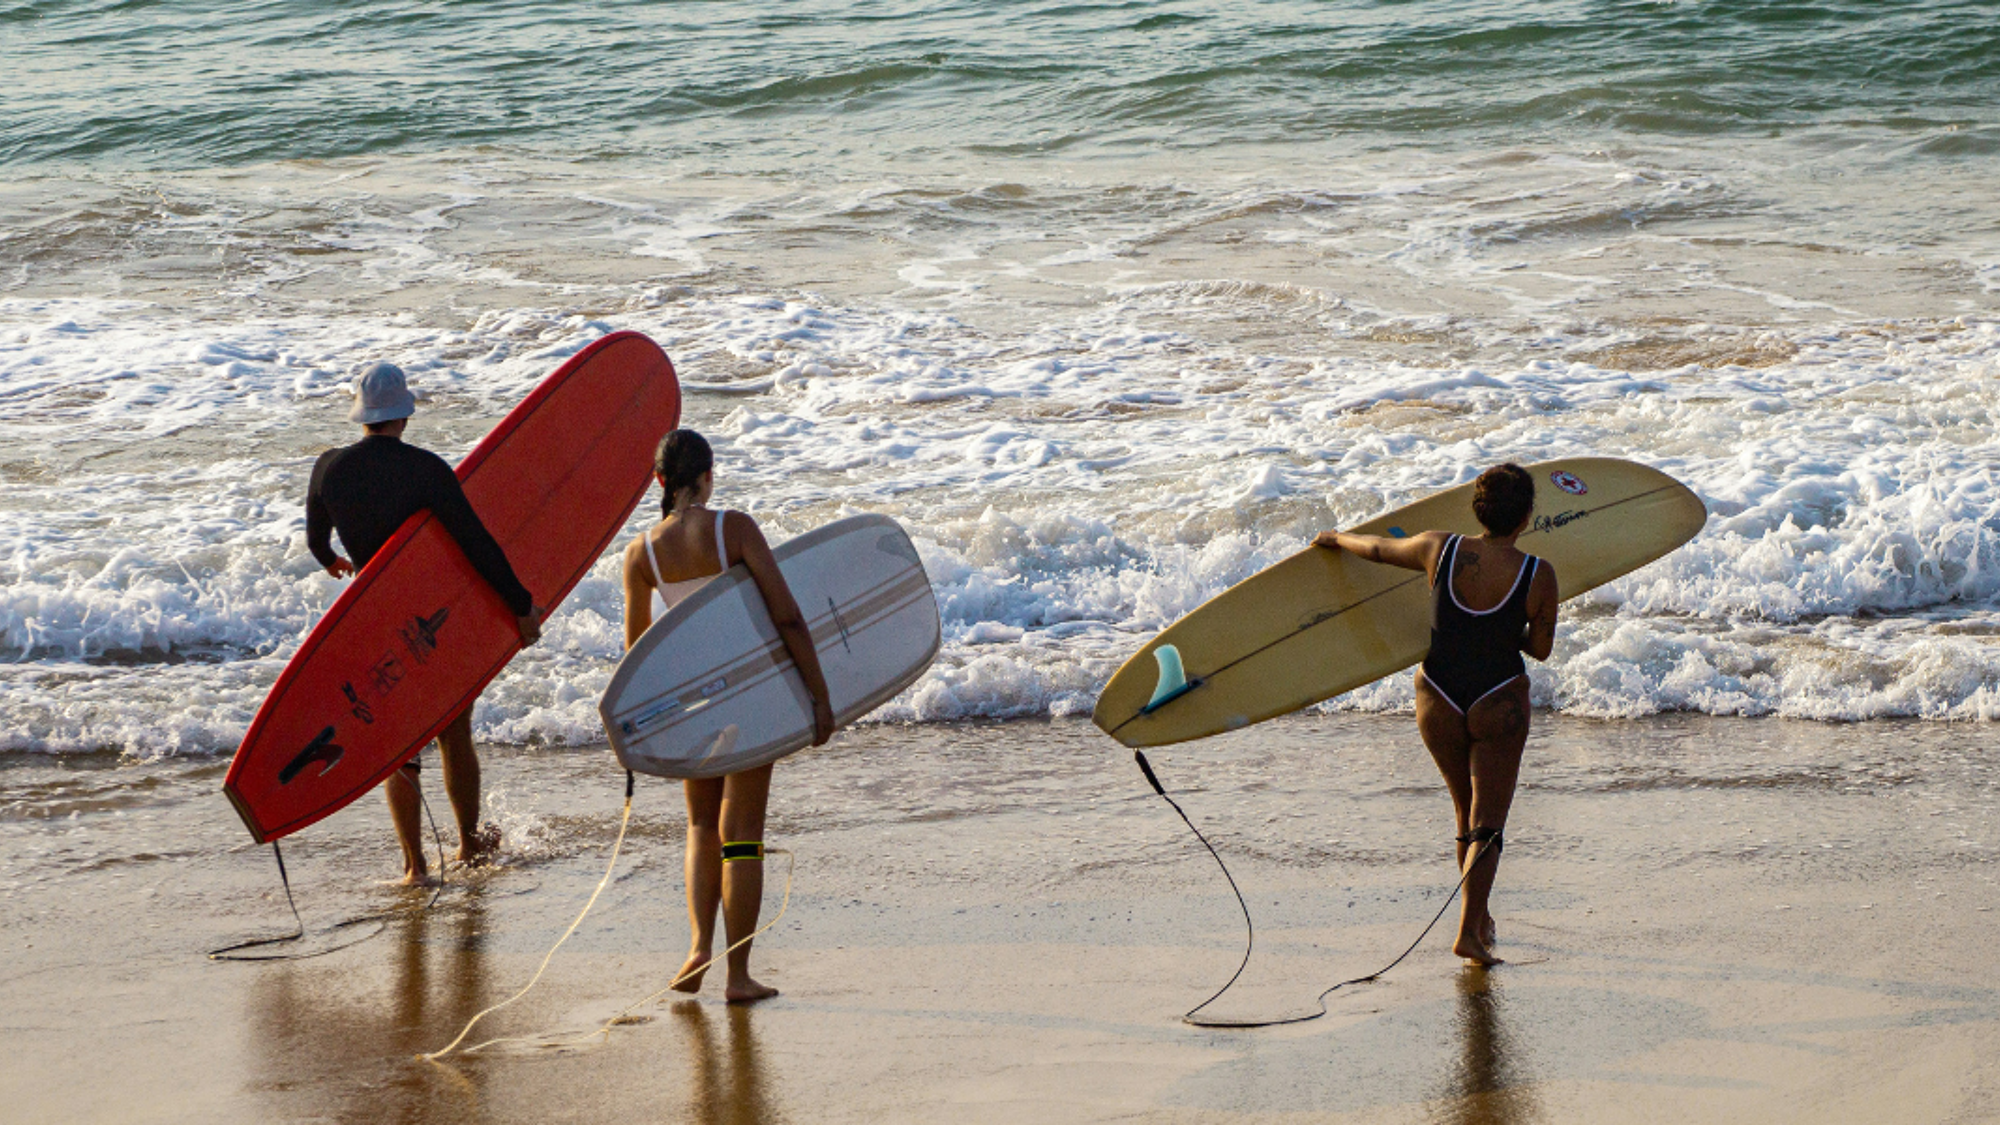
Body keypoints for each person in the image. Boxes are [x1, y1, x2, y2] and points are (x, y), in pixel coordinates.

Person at [306, 362, 545, 886]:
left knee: (399, 742)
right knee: (454, 730)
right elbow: (474, 543)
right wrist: (520, 605)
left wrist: (333, 562)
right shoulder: (426, 469)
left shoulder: (328, 469)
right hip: (431, 619)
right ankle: (466, 845)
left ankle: (414, 865)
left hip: (375, 616)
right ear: (403, 415)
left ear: (362, 414)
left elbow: (316, 540)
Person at [1314, 463, 1558, 966]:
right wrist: (1502, 628)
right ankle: (1468, 932)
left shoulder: (1437, 548)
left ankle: (1480, 919)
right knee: (1487, 826)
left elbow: (1380, 548)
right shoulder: (1537, 573)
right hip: (1498, 699)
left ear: (1477, 509)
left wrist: (1338, 537)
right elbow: (1540, 648)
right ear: (1527, 517)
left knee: (1464, 814)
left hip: (1437, 696)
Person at [622, 429, 835, 1004]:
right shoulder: (732, 529)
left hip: (695, 705)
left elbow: (638, 658)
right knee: (742, 834)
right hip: (750, 694)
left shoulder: (641, 554)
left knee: (699, 826)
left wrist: (648, 729)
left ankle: (697, 947)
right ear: (708, 477)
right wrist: (818, 697)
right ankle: (738, 976)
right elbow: (787, 616)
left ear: (660, 482)